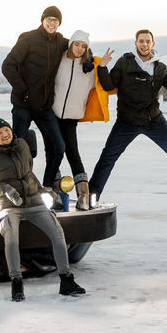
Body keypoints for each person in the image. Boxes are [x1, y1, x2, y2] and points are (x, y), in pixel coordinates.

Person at [0, 117, 86, 301]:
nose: (5, 134)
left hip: (33, 202)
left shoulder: (22, 146)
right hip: (8, 206)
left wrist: (42, 190)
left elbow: (28, 173)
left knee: (57, 232)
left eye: (6, 130)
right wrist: (3, 189)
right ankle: (16, 282)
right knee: (11, 238)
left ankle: (67, 279)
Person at [89, 29, 167, 200]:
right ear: (135, 43)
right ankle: (92, 195)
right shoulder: (124, 63)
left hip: (154, 121)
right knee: (107, 158)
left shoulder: (160, 68)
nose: (144, 44)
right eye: (141, 41)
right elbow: (108, 85)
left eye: (147, 41)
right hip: (126, 121)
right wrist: (103, 67)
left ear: (153, 44)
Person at [1, 6, 69, 194]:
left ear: (59, 23)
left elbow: (79, 48)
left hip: (44, 106)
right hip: (23, 104)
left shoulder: (61, 42)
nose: (52, 22)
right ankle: (18, 186)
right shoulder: (29, 39)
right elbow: (8, 66)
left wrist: (88, 60)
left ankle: (47, 187)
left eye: (56, 20)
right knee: (17, 148)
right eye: (49, 19)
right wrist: (23, 90)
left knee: (58, 146)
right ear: (42, 20)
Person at [50, 30, 113, 211]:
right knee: (53, 153)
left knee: (73, 154)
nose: (79, 48)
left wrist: (102, 67)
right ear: (71, 44)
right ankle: (55, 193)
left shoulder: (90, 67)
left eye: (83, 46)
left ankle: (83, 196)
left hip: (71, 117)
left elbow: (107, 86)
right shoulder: (59, 59)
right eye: (77, 44)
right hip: (53, 114)